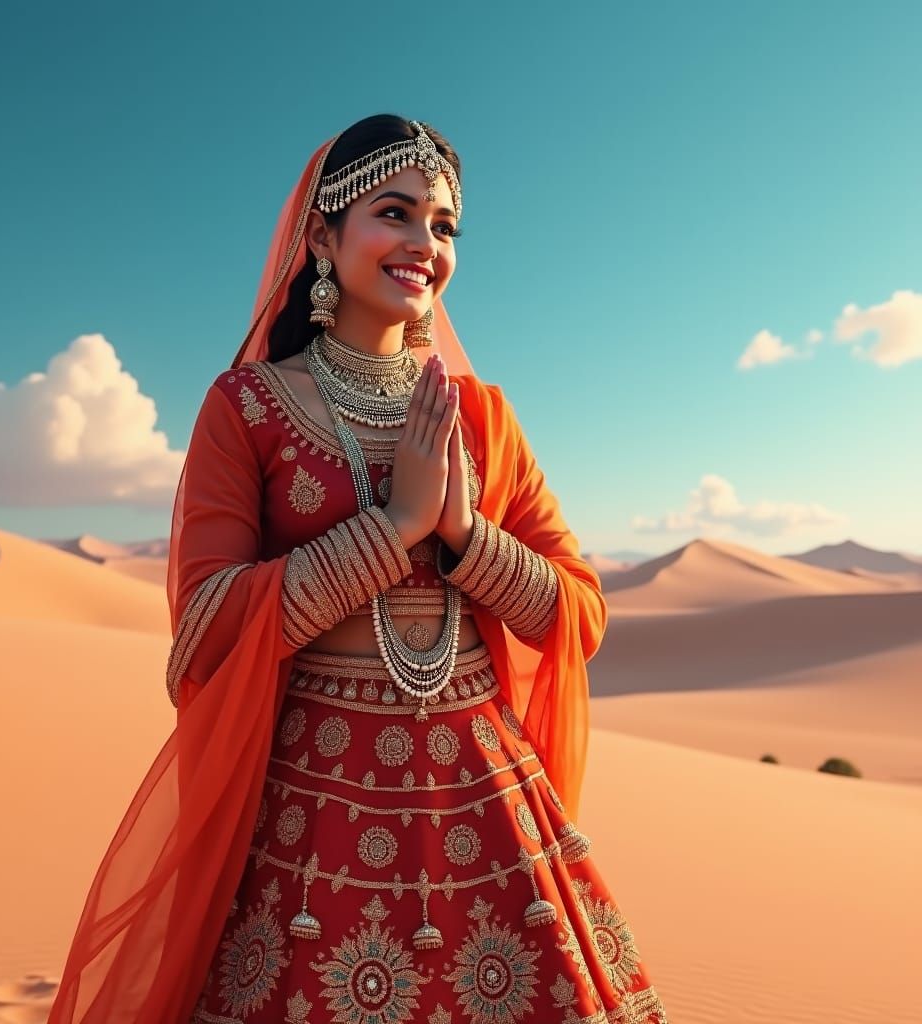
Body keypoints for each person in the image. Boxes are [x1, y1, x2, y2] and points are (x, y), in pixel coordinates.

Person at [47, 114, 669, 1024]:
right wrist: (395, 528)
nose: (426, 244)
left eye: (445, 225)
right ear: (321, 239)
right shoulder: (246, 408)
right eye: (396, 213)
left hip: (486, 801)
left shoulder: (484, 419)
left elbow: (580, 614)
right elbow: (208, 632)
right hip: (310, 812)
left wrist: (461, 533)